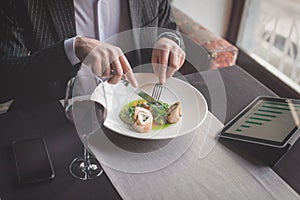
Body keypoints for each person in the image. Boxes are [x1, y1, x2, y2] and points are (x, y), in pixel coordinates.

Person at [0, 0, 185, 110]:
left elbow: (168, 29)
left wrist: (168, 40)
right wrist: (71, 50)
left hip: (136, 113)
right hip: (57, 120)